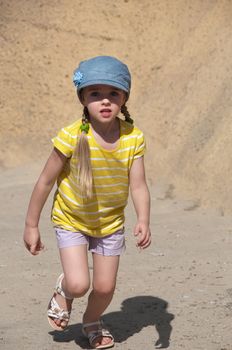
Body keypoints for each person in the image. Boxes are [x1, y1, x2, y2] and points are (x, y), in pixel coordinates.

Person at [23, 55, 151, 349]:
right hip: (72, 220)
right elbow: (44, 182)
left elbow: (139, 185)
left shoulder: (133, 138)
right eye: (96, 94)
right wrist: (31, 225)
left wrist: (143, 219)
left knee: (105, 287)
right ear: (83, 97)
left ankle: (92, 321)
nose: (105, 101)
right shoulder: (70, 136)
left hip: (110, 223)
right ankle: (64, 289)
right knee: (79, 284)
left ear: (124, 98)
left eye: (113, 94)